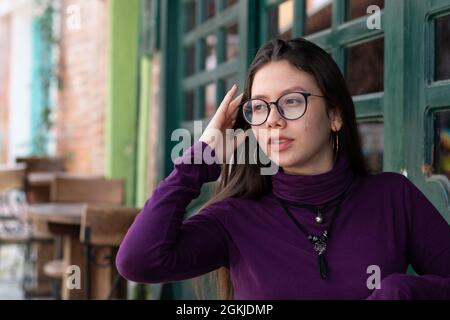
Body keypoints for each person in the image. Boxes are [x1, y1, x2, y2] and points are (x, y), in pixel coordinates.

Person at [116, 38, 450, 300]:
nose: (273, 119)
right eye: (259, 107)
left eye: (291, 101)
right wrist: (200, 158)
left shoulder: (392, 197)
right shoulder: (235, 218)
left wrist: (402, 292)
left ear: (335, 115)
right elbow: (138, 260)